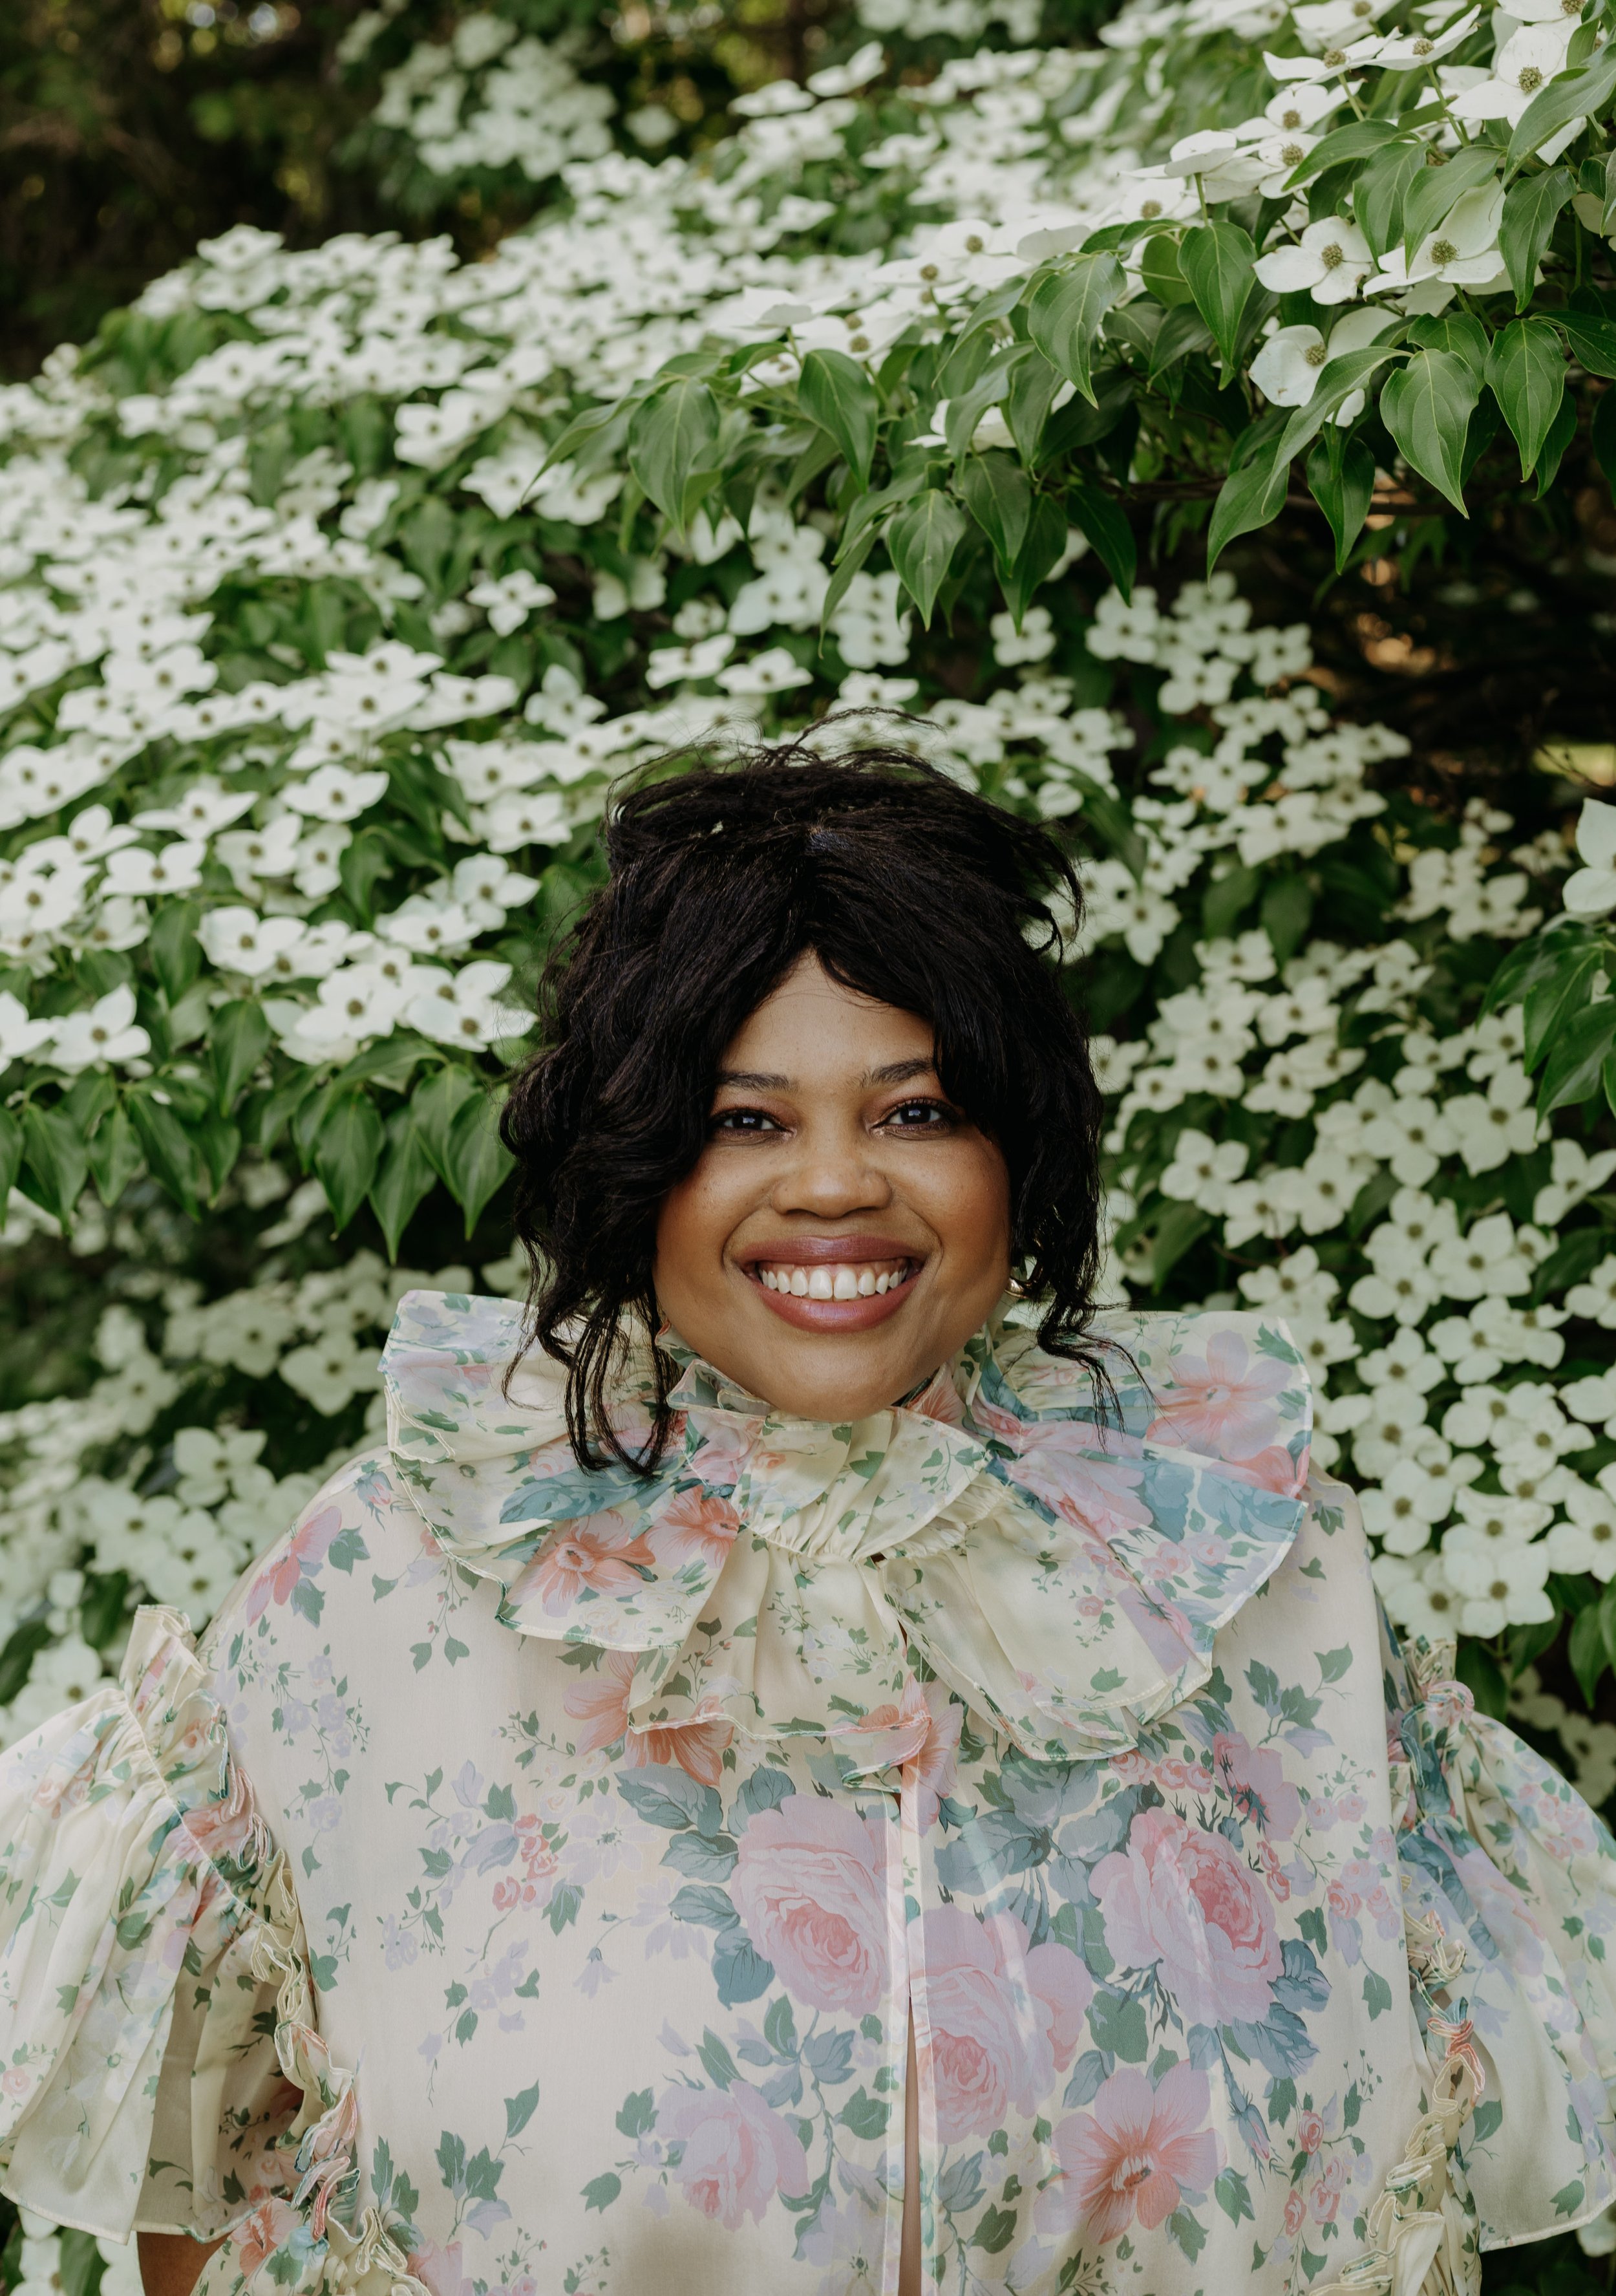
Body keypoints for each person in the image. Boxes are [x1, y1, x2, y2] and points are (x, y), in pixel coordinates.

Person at [1, 746, 1613, 2296]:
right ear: (638, 1158)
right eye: (743, 1119)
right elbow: (202, 2180)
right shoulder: (386, 1577)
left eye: (914, 1112)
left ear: (1013, 1149)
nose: (836, 1185)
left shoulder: (1249, 1563)